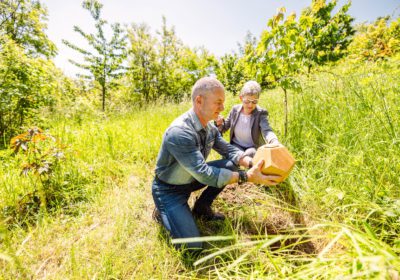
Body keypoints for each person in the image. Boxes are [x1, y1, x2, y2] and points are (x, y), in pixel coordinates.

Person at [152, 77, 280, 250]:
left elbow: (229, 150)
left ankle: (201, 208)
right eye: (218, 102)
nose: (222, 108)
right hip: (169, 189)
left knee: (231, 164)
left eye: (223, 102)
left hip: (190, 179)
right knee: (192, 247)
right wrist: (246, 177)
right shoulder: (180, 132)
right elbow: (205, 174)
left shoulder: (210, 127)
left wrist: (252, 163)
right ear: (199, 101)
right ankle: (162, 210)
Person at [216, 81, 280, 158]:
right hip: (237, 145)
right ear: (241, 98)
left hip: (253, 147)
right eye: (247, 101)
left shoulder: (260, 113)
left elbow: (267, 130)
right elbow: (224, 127)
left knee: (248, 154)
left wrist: (273, 141)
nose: (250, 105)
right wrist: (219, 124)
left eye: (254, 101)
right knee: (234, 156)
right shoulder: (235, 110)